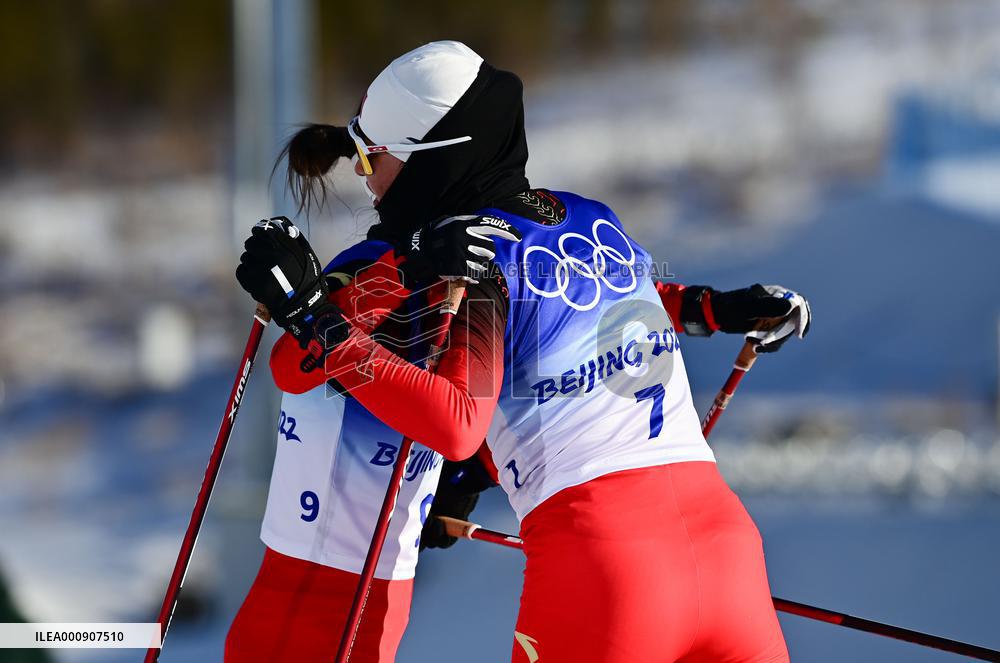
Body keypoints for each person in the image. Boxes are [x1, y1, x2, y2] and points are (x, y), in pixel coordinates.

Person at [231, 41, 810, 663]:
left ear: (432, 159)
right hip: (729, 555)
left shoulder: (469, 263)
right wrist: (710, 308)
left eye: (372, 157)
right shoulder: (588, 218)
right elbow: (595, 309)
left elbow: (454, 419)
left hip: (602, 572)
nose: (362, 176)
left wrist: (315, 321)